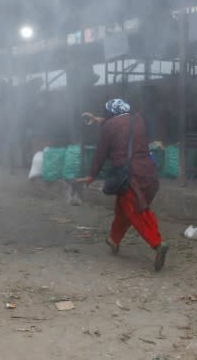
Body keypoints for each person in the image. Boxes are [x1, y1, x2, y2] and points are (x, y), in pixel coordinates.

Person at [77, 99, 169, 271]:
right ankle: (114, 239)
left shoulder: (109, 127)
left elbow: (100, 153)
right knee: (123, 210)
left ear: (110, 114)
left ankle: (157, 244)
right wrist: (98, 119)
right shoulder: (137, 118)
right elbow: (120, 125)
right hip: (149, 174)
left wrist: (91, 176)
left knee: (138, 212)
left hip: (130, 177)